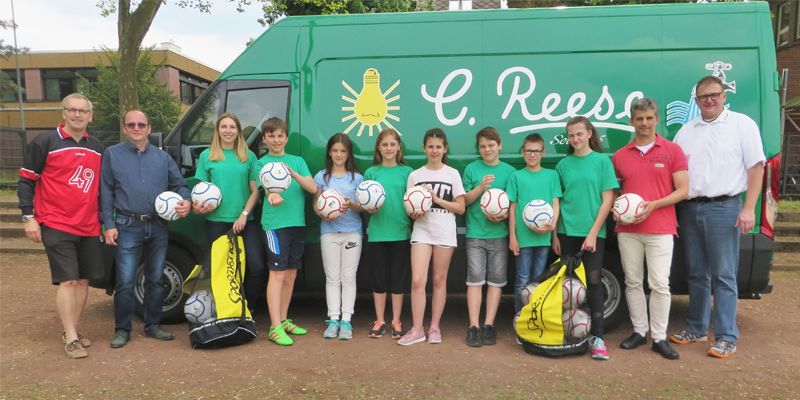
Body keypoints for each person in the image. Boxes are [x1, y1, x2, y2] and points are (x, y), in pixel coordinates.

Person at [670, 76, 765, 359]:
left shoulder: (742, 125)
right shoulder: (686, 131)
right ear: (696, 100)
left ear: (723, 96)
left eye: (714, 94)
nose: (709, 100)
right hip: (690, 208)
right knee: (697, 273)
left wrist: (748, 209)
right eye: (703, 96)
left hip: (724, 208)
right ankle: (697, 328)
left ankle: (726, 336)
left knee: (724, 275)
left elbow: (757, 168)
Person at [18, 93, 104, 359]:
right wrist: (28, 217)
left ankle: (71, 330)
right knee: (67, 281)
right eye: (72, 110)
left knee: (83, 281)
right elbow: (26, 181)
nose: (77, 115)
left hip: (89, 224)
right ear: (63, 113)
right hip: (55, 222)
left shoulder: (98, 146)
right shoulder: (45, 142)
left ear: (90, 116)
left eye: (83, 111)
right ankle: (72, 338)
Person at [101, 109, 191, 348]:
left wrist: (187, 201)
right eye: (131, 125)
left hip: (158, 225)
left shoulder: (162, 158)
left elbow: (180, 185)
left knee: (155, 279)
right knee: (126, 281)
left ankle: (153, 325)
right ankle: (122, 329)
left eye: (141, 124)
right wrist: (108, 225)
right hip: (127, 225)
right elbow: (106, 192)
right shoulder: (112, 155)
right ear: (124, 128)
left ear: (150, 128)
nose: (137, 128)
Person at [612, 98, 688, 360]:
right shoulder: (620, 156)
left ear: (656, 120)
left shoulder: (672, 151)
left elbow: (683, 190)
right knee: (632, 281)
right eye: (639, 118)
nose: (644, 123)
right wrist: (616, 208)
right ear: (631, 121)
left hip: (661, 227)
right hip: (628, 230)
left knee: (659, 283)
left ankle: (659, 337)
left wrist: (655, 204)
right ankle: (639, 331)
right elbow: (614, 193)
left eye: (649, 118)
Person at [554, 116, 618, 361]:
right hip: (566, 232)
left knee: (593, 282)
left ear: (590, 133)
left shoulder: (602, 162)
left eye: (579, 134)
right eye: (571, 135)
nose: (575, 139)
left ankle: (598, 338)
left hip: (593, 233)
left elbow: (607, 200)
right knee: (569, 287)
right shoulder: (563, 165)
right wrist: (554, 236)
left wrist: (593, 233)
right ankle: (570, 334)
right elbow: (557, 202)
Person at [250, 117, 317, 346]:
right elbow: (265, 188)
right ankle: (275, 326)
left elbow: (313, 188)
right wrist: (272, 194)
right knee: (277, 274)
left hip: (296, 224)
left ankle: (284, 319)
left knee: (291, 274)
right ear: (265, 139)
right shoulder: (261, 163)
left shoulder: (297, 161)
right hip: (275, 226)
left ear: (286, 138)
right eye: (271, 136)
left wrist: (293, 174)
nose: (276, 140)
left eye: (280, 135)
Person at [398, 128, 466, 346]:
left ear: (445, 148)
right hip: (422, 231)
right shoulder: (415, 175)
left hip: (444, 231)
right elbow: (409, 207)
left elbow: (461, 208)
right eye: (430, 147)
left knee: (439, 280)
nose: (434, 151)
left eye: (438, 147)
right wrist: (414, 212)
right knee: (418, 280)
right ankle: (417, 329)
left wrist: (436, 199)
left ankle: (434, 327)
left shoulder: (452, 174)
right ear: (424, 148)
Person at [192, 113, 265, 312]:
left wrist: (244, 215)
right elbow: (200, 192)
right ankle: (225, 311)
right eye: (223, 127)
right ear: (217, 131)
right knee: (222, 270)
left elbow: (256, 191)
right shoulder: (208, 156)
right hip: (215, 222)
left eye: (232, 127)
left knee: (257, 267)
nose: (228, 131)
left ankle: (246, 308)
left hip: (244, 221)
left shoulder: (248, 156)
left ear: (238, 131)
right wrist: (198, 208)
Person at [461, 127, 515, 347]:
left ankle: (489, 325)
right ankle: (473, 326)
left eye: (491, 145)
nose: (487, 149)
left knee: (495, 280)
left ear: (499, 145)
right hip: (475, 233)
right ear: (478, 148)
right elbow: (464, 201)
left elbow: (511, 204)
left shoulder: (510, 172)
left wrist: (501, 217)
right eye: (483, 146)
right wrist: (480, 187)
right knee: (474, 278)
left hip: (499, 234)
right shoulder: (472, 170)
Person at [363, 128, 413, 340]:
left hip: (401, 232)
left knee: (398, 280)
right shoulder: (371, 172)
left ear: (398, 147)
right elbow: (365, 201)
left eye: (393, 144)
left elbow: (413, 201)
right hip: (377, 233)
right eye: (385, 145)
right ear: (379, 148)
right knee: (379, 279)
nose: (389, 148)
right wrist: (368, 208)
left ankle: (396, 320)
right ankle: (380, 319)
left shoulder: (407, 172)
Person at [314, 133, 364, 340]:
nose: (338, 154)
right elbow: (316, 206)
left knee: (348, 277)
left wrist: (350, 204)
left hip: (352, 232)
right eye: (335, 150)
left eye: (343, 151)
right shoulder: (322, 177)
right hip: (329, 233)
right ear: (329, 152)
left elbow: (363, 208)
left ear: (348, 153)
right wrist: (325, 212)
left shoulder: (357, 178)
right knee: (332, 277)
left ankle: (346, 321)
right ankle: (333, 319)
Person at [508, 133, 561, 314]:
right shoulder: (516, 176)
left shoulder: (551, 175)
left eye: (536, 151)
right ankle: (519, 319)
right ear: (523, 152)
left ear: (543, 153)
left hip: (543, 239)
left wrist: (554, 232)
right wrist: (513, 237)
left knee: (538, 281)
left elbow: (555, 204)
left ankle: (534, 320)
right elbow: (513, 207)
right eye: (529, 151)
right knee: (522, 281)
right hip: (523, 239)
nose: (532, 155)